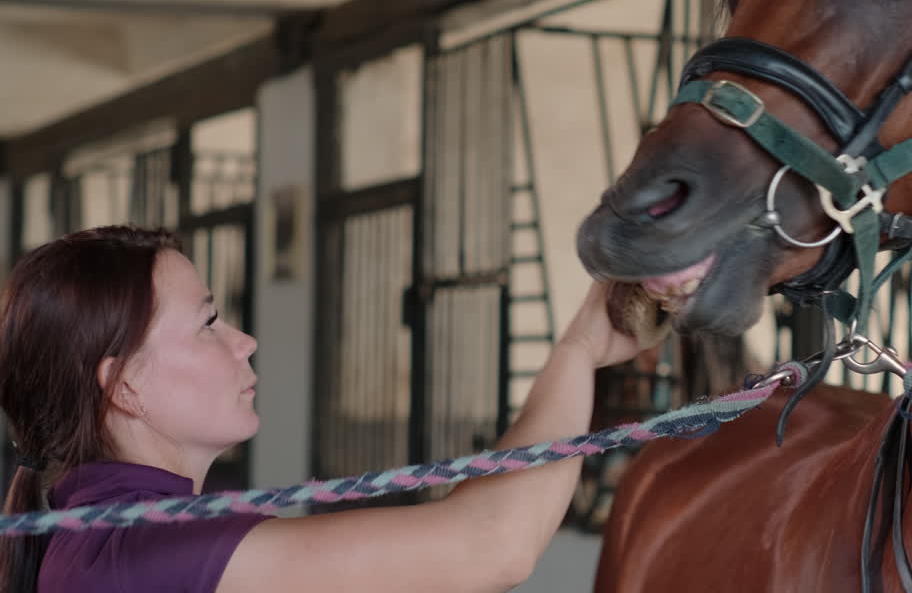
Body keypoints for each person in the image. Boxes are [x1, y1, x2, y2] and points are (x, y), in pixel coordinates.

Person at [0, 226, 640, 592]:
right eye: (208, 323)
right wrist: (580, 348)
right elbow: (493, 545)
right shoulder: (146, 548)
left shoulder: (104, 533)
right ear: (124, 387)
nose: (244, 341)